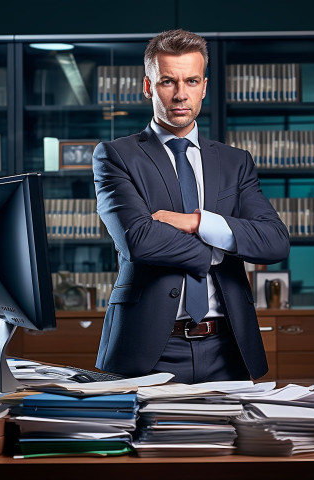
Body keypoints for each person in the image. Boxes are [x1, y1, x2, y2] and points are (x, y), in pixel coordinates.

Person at [92, 29, 290, 384]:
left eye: (191, 80)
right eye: (168, 81)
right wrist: (222, 245)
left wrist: (197, 222)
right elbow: (138, 240)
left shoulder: (235, 162)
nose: (181, 94)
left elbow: (275, 242)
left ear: (204, 85)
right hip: (149, 348)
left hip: (228, 348)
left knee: (231, 440)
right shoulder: (117, 156)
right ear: (149, 86)